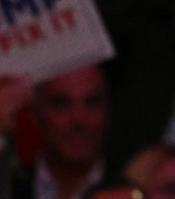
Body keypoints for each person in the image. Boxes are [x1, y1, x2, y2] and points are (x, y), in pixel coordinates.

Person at [12, 66, 109, 199]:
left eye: (92, 103)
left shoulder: (134, 188)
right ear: (34, 114)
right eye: (61, 104)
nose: (78, 118)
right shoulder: (9, 187)